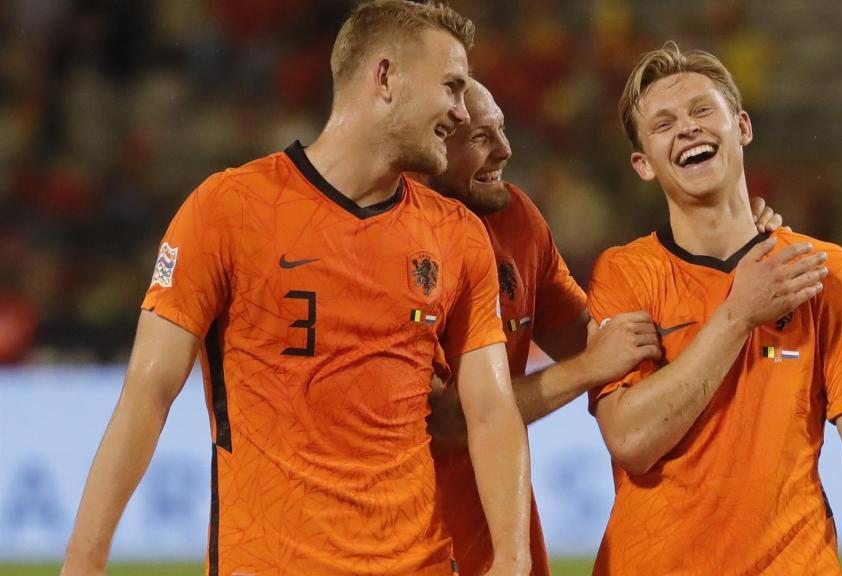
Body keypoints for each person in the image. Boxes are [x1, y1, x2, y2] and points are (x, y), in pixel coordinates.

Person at [60, 3, 532, 576]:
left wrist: (512, 558)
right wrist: (84, 563)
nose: (461, 112)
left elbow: (491, 414)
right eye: (452, 87)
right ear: (385, 78)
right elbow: (147, 393)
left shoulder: (456, 235)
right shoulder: (229, 209)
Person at [587, 44, 842, 575]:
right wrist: (736, 315)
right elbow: (632, 441)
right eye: (663, 124)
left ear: (742, 127)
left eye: (703, 110)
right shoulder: (625, 274)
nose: (687, 129)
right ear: (643, 165)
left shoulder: (823, 272)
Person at [423, 79, 786, 576]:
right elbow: (447, 423)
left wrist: (732, 243)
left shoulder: (516, 221)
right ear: (433, 145)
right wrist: (588, 369)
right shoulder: (403, 244)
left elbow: (610, 337)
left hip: (502, 530)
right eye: (479, 138)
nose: (505, 150)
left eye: (502, 129)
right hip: (419, 530)